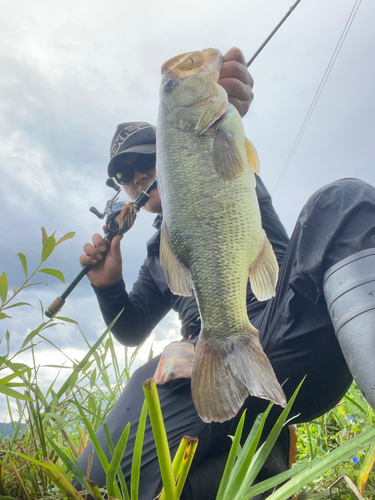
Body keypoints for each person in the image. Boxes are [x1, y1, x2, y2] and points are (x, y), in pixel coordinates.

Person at [78, 47, 375, 500]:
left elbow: (222, 151)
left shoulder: (217, 157)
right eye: (125, 175)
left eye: (146, 161)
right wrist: (108, 287)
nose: (137, 176)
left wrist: (222, 108)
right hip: (211, 362)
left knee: (342, 204)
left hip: (283, 326)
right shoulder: (160, 253)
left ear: (170, 149)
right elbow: (133, 327)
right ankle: (240, 463)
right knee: (95, 468)